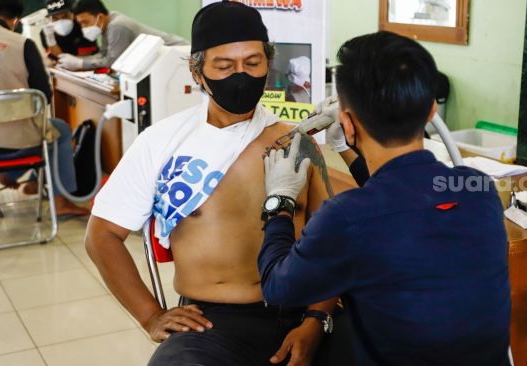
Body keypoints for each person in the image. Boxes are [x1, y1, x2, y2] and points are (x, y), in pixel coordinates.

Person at [85, 2, 352, 365]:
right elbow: (101, 235)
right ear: (197, 72)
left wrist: (317, 320)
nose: (240, 76)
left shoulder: (297, 141)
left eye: (253, 64)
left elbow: (333, 240)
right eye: (224, 66)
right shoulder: (163, 143)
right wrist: (150, 315)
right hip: (214, 323)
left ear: (268, 63)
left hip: (303, 309)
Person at [258, 31, 512, 365]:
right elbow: (400, 197)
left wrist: (279, 200)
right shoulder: (478, 189)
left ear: (348, 123)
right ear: (431, 109)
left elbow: (278, 286)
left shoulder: (346, 219)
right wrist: (344, 149)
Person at [0, 0, 89, 218]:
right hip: (15, 143)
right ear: (16, 20)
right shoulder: (22, 44)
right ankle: (60, 201)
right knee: (62, 130)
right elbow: (43, 96)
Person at [57, 0, 189, 70]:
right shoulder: (106, 24)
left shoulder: (117, 26)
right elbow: (104, 54)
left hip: (180, 54)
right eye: (80, 24)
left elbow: (112, 61)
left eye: (85, 22)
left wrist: (80, 64)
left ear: (100, 17)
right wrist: (76, 60)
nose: (83, 28)